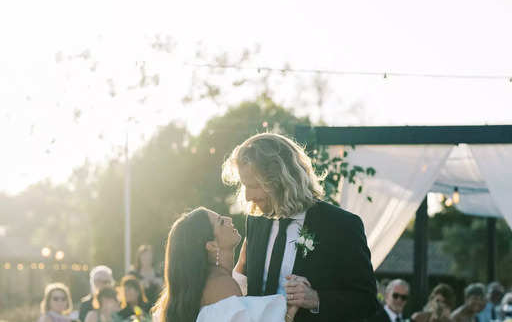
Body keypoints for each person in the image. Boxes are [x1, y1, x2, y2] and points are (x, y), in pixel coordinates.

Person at [222, 132, 379, 322]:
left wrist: (316, 299)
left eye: (254, 185)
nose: (247, 196)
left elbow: (366, 301)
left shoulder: (342, 225)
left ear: (282, 179)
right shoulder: (255, 222)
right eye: (244, 185)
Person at [152, 206, 293, 322]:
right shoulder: (221, 285)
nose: (229, 219)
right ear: (212, 245)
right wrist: (290, 313)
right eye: (220, 222)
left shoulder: (207, 281)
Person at [129, 244, 163, 309]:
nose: (146, 258)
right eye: (144, 256)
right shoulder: (133, 274)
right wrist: (140, 285)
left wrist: (160, 285)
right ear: (139, 258)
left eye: (148, 256)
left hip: (155, 308)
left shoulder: (158, 275)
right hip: (137, 308)